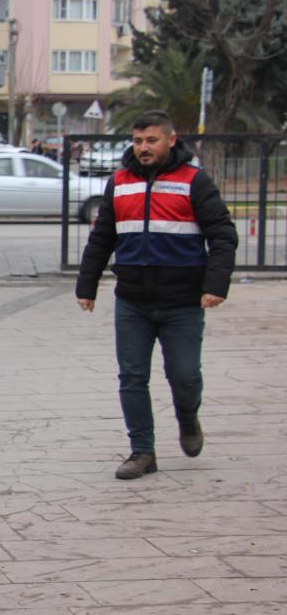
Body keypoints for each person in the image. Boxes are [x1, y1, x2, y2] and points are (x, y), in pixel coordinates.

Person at [76, 109, 237, 480]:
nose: (143, 148)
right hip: (132, 301)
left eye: (151, 140)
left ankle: (187, 416)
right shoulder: (119, 182)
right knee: (132, 377)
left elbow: (223, 236)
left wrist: (215, 285)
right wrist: (87, 285)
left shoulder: (194, 181)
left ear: (171, 139)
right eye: (138, 141)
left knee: (184, 376)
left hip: (183, 303)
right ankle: (142, 451)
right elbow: (103, 238)